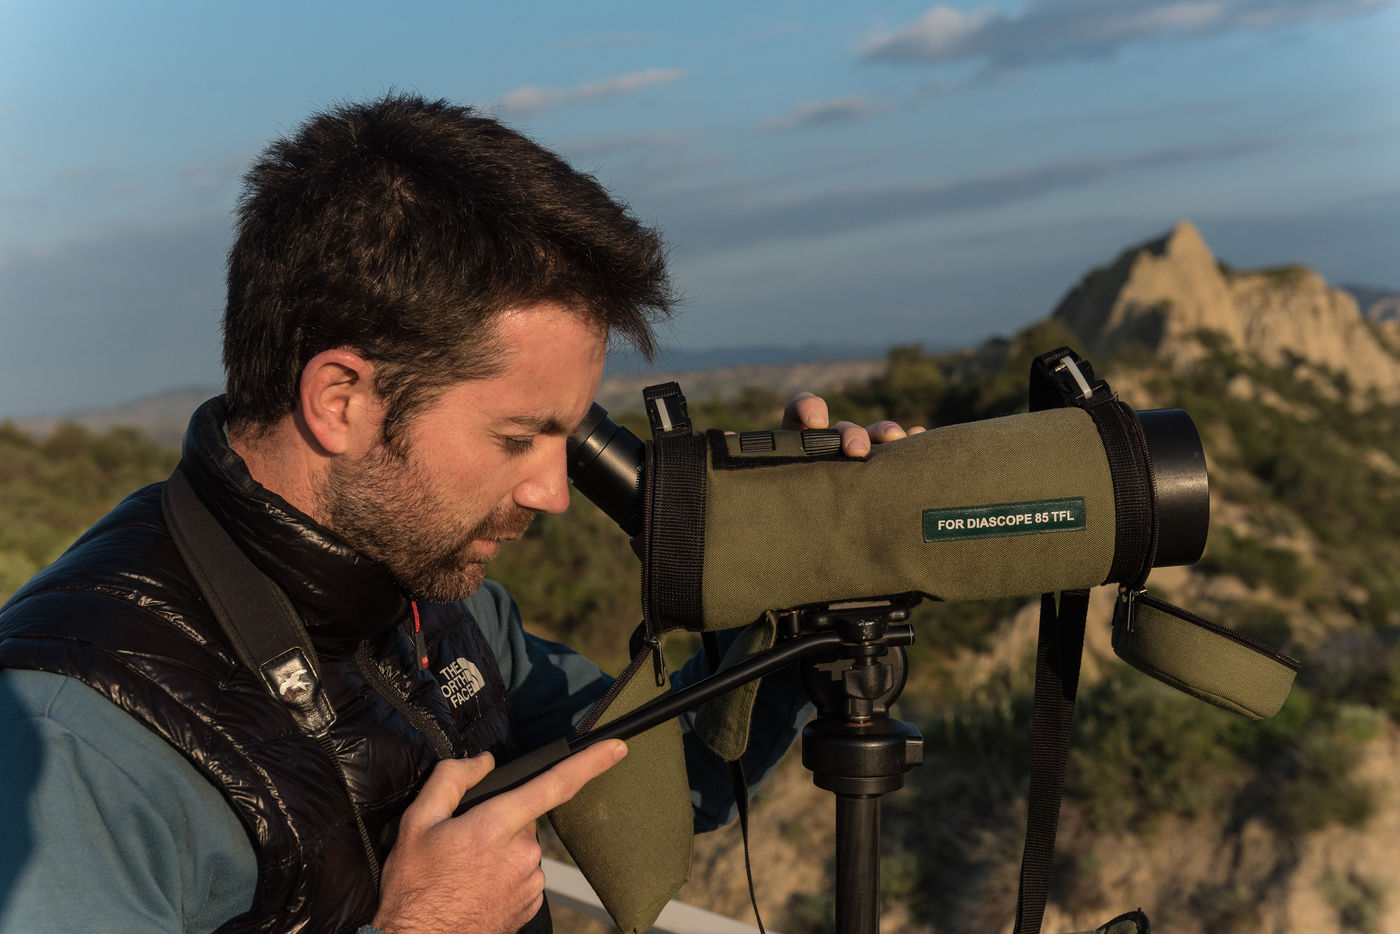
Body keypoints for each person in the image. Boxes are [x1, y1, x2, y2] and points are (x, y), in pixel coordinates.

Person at [0, 94, 918, 934]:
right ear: (343, 399)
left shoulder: (439, 596)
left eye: (571, 436)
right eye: (519, 437)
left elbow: (668, 788)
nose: (554, 493)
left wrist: (803, 602)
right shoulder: (72, 741)